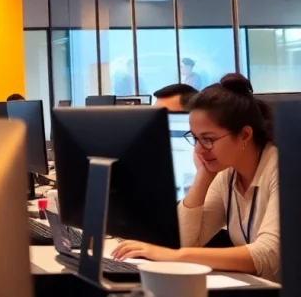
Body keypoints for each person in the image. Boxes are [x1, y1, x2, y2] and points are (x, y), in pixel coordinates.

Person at [112, 74, 280, 282]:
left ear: (245, 135)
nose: (199, 149)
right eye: (195, 139)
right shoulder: (227, 173)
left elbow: (268, 254)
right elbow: (185, 240)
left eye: (208, 139)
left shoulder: (282, 169)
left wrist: (175, 256)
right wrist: (203, 176)